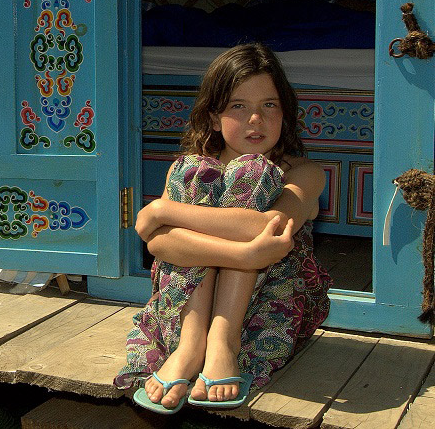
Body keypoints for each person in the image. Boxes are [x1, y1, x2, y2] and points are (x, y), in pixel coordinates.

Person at [114, 43, 332, 413]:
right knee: (193, 169)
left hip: (265, 313)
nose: (255, 120)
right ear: (214, 117)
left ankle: (224, 343)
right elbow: (160, 246)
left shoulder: (303, 173)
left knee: (254, 171)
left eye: (269, 105)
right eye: (238, 106)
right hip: (185, 315)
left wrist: (164, 209)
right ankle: (192, 344)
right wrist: (244, 255)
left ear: (285, 113)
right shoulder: (188, 173)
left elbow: (267, 226)